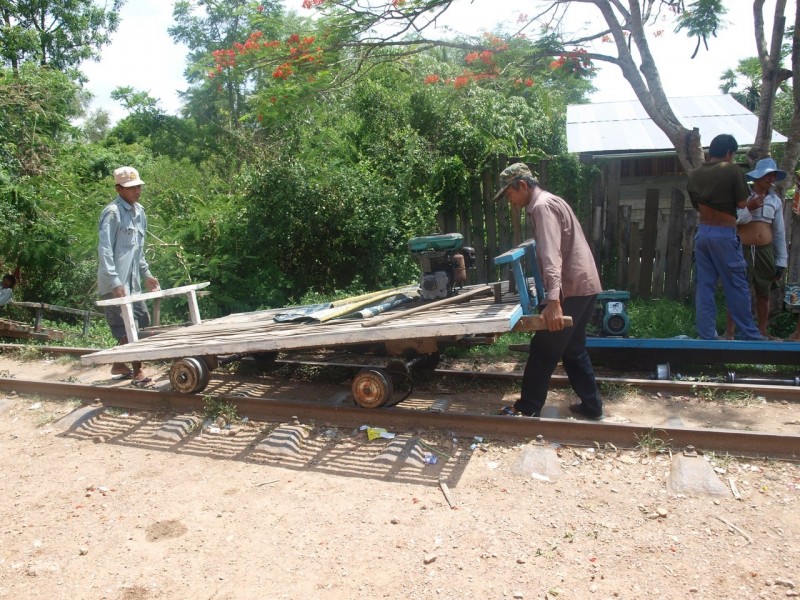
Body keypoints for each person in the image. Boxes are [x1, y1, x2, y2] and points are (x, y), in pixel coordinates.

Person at [493, 163, 604, 419]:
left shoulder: (542, 207)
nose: (509, 201)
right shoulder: (551, 201)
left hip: (571, 288)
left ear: (521, 185)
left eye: (509, 193)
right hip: (585, 285)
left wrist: (553, 301)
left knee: (543, 348)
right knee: (573, 348)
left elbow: (551, 255)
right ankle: (592, 406)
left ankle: (526, 408)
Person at [686, 134, 763, 341]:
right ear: (729, 153)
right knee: (736, 285)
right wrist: (754, 203)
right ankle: (748, 333)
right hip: (724, 233)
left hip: (703, 233)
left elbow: (697, 205)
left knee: (705, 286)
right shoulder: (732, 170)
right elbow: (741, 204)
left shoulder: (694, 175)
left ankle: (705, 334)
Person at [97, 166, 160, 382]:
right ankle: (138, 372)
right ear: (118, 188)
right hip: (115, 285)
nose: (137, 191)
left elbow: (137, 250)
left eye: (138, 186)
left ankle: (119, 363)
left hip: (133, 284)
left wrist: (147, 274)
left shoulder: (139, 212)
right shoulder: (112, 213)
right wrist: (115, 282)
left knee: (142, 321)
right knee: (127, 327)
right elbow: (104, 250)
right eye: (132, 187)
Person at [724, 157, 787, 339]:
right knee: (736, 291)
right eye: (768, 175)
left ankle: (762, 331)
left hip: (765, 251)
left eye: (773, 175)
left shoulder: (775, 201)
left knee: (764, 292)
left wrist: (781, 260)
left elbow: (779, 233)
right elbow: (731, 220)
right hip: (742, 249)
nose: (771, 179)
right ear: (758, 176)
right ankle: (730, 331)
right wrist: (749, 208)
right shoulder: (742, 197)